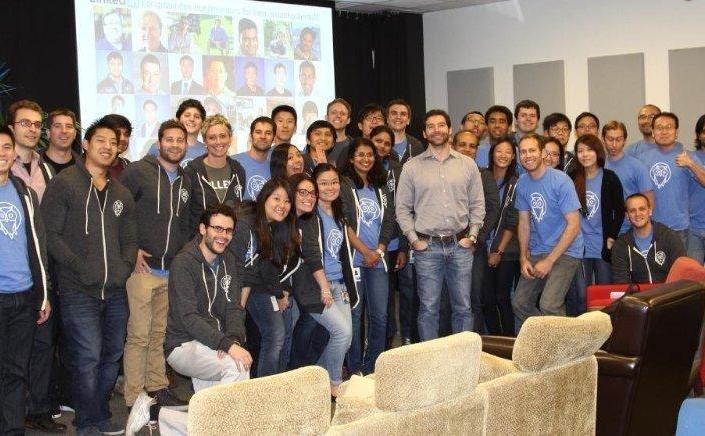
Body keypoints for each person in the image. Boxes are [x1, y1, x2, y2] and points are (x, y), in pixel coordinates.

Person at [41, 117, 137, 435]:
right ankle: (85, 421)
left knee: (111, 356)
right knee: (88, 357)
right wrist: (79, 266)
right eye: (101, 141)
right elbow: (51, 235)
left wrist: (123, 268)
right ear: (85, 144)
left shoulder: (121, 193)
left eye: (113, 142)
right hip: (78, 290)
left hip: (116, 291)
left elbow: (130, 239)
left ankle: (99, 413)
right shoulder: (64, 183)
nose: (108, 147)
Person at [120, 120, 192, 415]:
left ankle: (157, 386)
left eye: (180, 140)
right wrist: (131, 249)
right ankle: (134, 397)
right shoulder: (138, 171)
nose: (174, 145)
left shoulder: (186, 179)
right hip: (143, 271)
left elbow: (185, 225)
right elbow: (119, 213)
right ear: (159, 142)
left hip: (170, 271)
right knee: (139, 335)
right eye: (169, 139)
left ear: (186, 144)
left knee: (159, 334)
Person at [396, 109, 485, 341]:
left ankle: (462, 356)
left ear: (450, 130)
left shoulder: (468, 165)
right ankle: (431, 359)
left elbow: (478, 204)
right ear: (424, 133)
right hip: (427, 248)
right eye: (431, 126)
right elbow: (402, 209)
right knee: (428, 309)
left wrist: (472, 236)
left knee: (463, 307)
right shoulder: (411, 167)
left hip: (460, 246)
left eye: (441, 125)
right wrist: (414, 240)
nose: (437, 130)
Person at [25, 110, 77, 433]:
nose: (63, 132)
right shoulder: (32, 166)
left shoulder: (81, 167)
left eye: (69, 126)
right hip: (33, 264)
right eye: (57, 126)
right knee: (38, 339)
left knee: (61, 336)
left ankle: (52, 399)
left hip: (66, 265)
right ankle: (33, 405)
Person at [164, 204, 250, 391]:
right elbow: (188, 318)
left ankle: (163, 413)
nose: (223, 235)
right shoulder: (183, 263)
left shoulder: (228, 260)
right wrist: (225, 344)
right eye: (217, 228)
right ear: (203, 229)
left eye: (228, 230)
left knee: (208, 402)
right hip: (183, 343)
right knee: (238, 365)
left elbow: (234, 307)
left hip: (214, 340)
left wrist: (233, 340)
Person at [0, 126, 52, 434]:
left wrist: (43, 294)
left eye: (7, 147)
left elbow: (38, 246)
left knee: (16, 371)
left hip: (24, 295)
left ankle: (12, 430)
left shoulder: (25, 194)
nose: (2, 153)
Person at [294, 165, 356, 394]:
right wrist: (324, 288)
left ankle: (317, 382)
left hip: (340, 284)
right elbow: (311, 255)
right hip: (319, 287)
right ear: (315, 187)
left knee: (345, 338)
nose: (330, 187)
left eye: (334, 182)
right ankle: (334, 384)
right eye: (323, 183)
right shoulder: (310, 214)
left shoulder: (338, 213)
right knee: (342, 333)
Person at [511, 133, 583, 329]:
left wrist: (549, 261)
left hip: (567, 250)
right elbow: (524, 223)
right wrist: (523, 258)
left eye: (532, 150)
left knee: (549, 304)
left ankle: (566, 345)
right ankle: (549, 336)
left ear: (543, 153)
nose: (528, 156)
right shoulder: (522, 183)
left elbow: (574, 225)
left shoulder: (561, 180)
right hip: (538, 250)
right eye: (523, 152)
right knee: (520, 303)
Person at [339, 138, 396, 374]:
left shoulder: (381, 187)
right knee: (354, 314)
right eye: (360, 155)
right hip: (355, 259)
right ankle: (354, 369)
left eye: (370, 155)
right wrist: (365, 251)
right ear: (351, 158)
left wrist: (379, 251)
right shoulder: (344, 185)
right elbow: (343, 222)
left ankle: (372, 367)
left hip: (378, 260)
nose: (366, 159)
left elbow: (389, 220)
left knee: (380, 316)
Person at [237, 179, 301, 377]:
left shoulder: (276, 225)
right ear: (264, 197)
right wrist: (278, 294)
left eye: (287, 201)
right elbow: (256, 267)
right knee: (275, 335)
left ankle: (278, 382)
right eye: (277, 198)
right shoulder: (247, 223)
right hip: (251, 288)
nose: (282, 205)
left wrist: (282, 290)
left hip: (264, 285)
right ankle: (267, 389)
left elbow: (276, 264)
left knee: (284, 331)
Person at [567, 134, 624, 315]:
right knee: (581, 295)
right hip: (579, 246)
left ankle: (604, 331)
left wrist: (612, 236)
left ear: (598, 152)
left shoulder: (610, 177)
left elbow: (619, 210)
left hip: (602, 245)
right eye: (580, 151)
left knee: (603, 295)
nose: (585, 154)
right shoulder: (572, 178)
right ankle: (580, 330)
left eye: (589, 150)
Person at [450, 129, 500, 333]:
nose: (467, 149)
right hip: (444, 245)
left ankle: (475, 345)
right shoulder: (442, 173)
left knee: (473, 299)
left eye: (472, 146)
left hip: (473, 247)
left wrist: (475, 238)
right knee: (447, 301)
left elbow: (493, 209)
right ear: (453, 146)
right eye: (462, 144)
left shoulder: (483, 174)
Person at [635, 112, 705, 245]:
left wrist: (690, 164)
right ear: (653, 132)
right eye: (659, 127)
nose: (664, 131)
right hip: (651, 226)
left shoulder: (687, 155)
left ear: (676, 132)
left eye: (669, 127)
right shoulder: (641, 158)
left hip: (679, 228)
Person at [482, 137, 520, 336]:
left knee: (502, 297)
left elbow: (513, 221)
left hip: (506, 250)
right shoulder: (483, 177)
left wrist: (498, 251)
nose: (503, 155)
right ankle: (496, 338)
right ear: (492, 154)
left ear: (513, 156)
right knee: (486, 299)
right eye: (499, 151)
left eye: (508, 152)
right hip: (482, 247)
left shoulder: (516, 183)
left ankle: (509, 340)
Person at [184, 114, 245, 230]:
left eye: (223, 136)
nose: (218, 142)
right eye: (212, 137)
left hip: (229, 238)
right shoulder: (191, 172)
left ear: (230, 139)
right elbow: (185, 213)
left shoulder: (238, 171)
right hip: (199, 238)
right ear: (205, 141)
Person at [611, 193, 686, 284]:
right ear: (627, 216)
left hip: (668, 292)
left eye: (642, 209)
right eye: (632, 211)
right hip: (638, 293)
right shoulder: (620, 246)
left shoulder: (669, 237)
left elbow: (681, 273)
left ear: (650, 211)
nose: (637, 214)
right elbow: (621, 282)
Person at [602, 120, 654, 235]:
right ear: (603, 139)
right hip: (605, 228)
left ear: (624, 140)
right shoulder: (599, 165)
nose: (614, 144)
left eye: (618, 139)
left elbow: (648, 200)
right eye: (610, 139)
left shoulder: (637, 166)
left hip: (630, 229)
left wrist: (644, 228)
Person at [7, 100, 54, 202]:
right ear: (11, 129)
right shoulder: (3, 166)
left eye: (37, 124)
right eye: (25, 123)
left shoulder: (47, 170)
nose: (33, 129)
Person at [148, 99, 208, 167]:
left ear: (202, 123)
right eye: (187, 115)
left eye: (197, 117)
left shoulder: (207, 151)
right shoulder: (159, 147)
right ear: (178, 119)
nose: (192, 119)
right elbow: (144, 170)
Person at [234, 117, 275, 203]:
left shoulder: (275, 167)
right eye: (258, 132)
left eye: (268, 133)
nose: (263, 137)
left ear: (273, 138)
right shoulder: (233, 161)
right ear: (250, 136)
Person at [334, 104, 386, 169]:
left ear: (385, 126)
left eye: (379, 118)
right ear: (360, 126)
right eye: (369, 118)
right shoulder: (350, 150)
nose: (374, 121)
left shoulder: (389, 152)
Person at [386, 99, 425, 165]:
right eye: (394, 113)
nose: (398, 117)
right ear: (387, 118)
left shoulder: (417, 146)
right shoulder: (378, 144)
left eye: (403, 114)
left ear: (408, 120)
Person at [688, 114, 705, 262]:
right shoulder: (688, 156)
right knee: (692, 274)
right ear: (699, 135)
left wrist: (691, 165)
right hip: (693, 229)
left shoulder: (689, 161)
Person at [42, 109, 80, 174]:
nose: (64, 131)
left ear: (75, 134)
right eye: (57, 126)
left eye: (69, 126)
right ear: (48, 133)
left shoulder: (84, 167)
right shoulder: (34, 163)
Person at [103, 114, 132, 180]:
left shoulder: (127, 165)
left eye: (126, 134)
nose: (123, 139)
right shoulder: (89, 166)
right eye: (117, 134)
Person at [326, 98, 352, 163]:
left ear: (348, 120)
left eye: (342, 113)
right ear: (326, 118)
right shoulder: (317, 146)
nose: (338, 116)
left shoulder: (355, 146)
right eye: (334, 113)